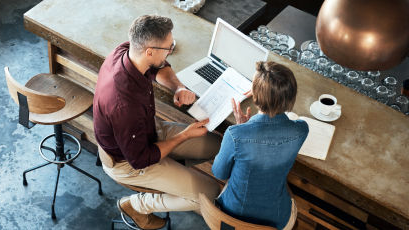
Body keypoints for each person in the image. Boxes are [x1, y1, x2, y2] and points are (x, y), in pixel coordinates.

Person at [93, 15, 221, 229]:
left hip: (147, 131)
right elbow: (141, 159)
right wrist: (184, 136)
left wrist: (178, 87)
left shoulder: (127, 51)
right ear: (149, 51)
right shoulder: (124, 105)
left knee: (216, 145)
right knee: (210, 192)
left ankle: (173, 171)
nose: (170, 51)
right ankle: (137, 205)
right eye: (168, 48)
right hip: (128, 161)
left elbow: (158, 67)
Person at [212, 61, 309, 229]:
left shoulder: (234, 135)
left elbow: (219, 173)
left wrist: (242, 128)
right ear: (291, 98)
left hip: (231, 219)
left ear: (254, 95)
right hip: (275, 221)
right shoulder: (301, 130)